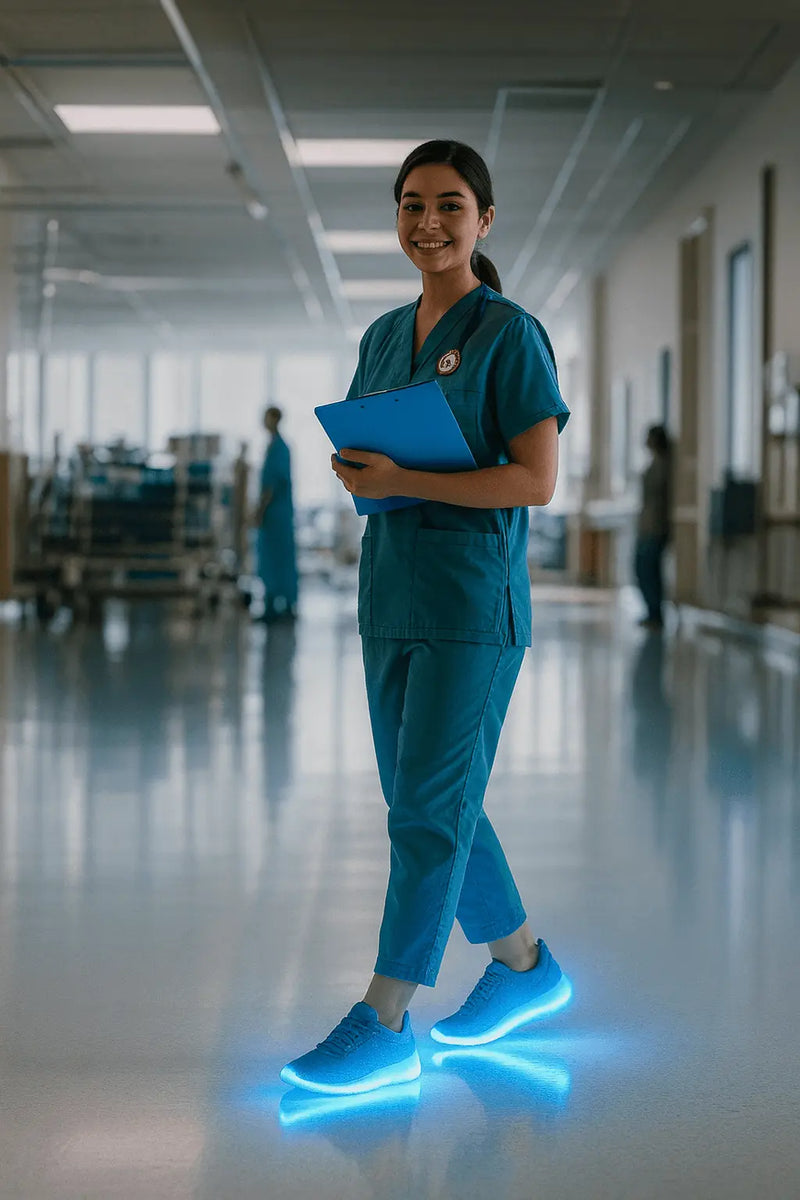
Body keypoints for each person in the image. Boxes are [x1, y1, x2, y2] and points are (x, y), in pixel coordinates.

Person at [281, 140, 572, 1096]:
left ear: (484, 221)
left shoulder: (510, 333)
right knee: (428, 804)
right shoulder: (380, 335)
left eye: (450, 205)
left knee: (426, 817)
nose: (428, 223)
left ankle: (387, 1014)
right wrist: (367, 472)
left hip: (469, 606)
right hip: (391, 592)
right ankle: (526, 969)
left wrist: (406, 475)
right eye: (412, 204)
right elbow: (377, 452)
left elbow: (535, 478)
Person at [254, 406, 298, 623]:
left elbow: (272, 485)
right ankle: (273, 604)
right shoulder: (273, 447)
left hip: (276, 514)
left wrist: (259, 510)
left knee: (278, 558)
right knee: (272, 558)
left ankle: (286, 605)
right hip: (277, 514)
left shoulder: (279, 448)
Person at [634, 424, 672, 631]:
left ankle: (656, 613)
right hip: (647, 525)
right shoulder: (655, 464)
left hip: (656, 527)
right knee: (643, 569)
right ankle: (651, 611)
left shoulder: (665, 467)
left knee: (650, 571)